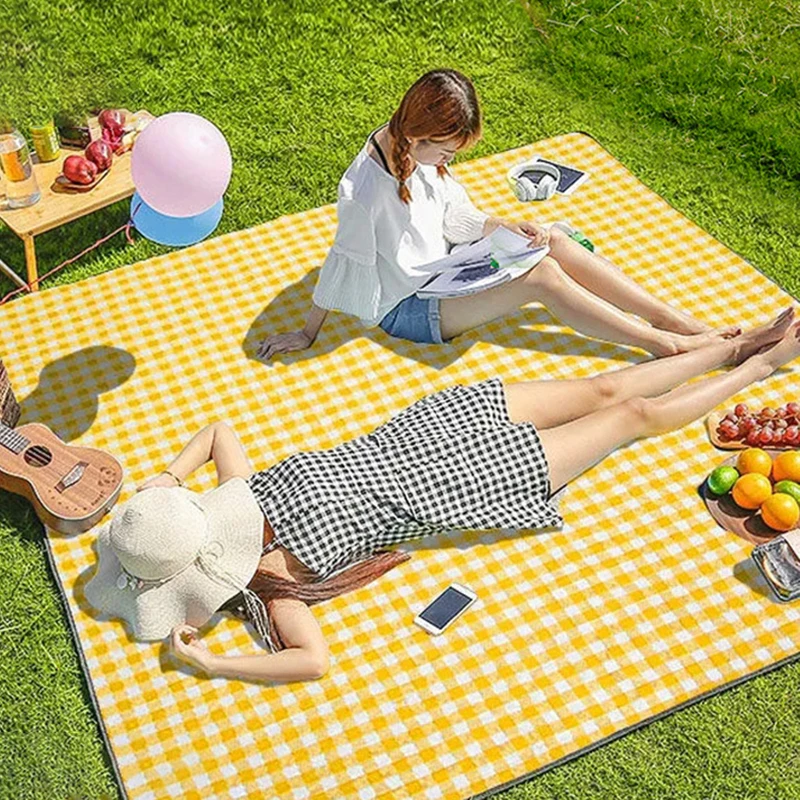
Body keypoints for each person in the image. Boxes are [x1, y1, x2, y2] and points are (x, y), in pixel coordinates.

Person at [84, 309, 799, 683]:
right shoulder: (271, 590)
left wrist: (170, 482)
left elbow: (215, 429)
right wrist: (214, 662)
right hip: (472, 482)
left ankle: (730, 345)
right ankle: (762, 364)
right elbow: (312, 660)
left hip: (433, 424)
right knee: (627, 418)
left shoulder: (234, 499)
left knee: (604, 388)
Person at [256, 68, 739, 361]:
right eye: (445, 152)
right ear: (420, 136)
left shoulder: (412, 149)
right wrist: (306, 331)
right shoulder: (365, 190)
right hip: (408, 308)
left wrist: (497, 227)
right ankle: (661, 345)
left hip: (446, 272)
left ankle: (673, 321)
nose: (449, 163)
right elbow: (343, 262)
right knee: (542, 278)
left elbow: (451, 215)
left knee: (551, 241)